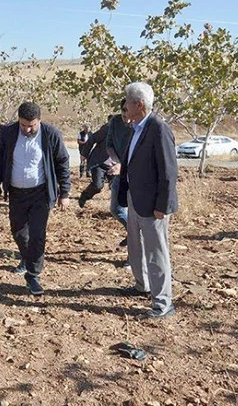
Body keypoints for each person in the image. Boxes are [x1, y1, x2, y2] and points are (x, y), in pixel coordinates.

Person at [0, 102, 71, 296]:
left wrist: (65, 193)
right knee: (19, 232)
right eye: (23, 125)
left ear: (39, 120)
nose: (27, 129)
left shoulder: (51, 134)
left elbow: (62, 162)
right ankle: (29, 260)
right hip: (17, 194)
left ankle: (33, 276)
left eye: (32, 125)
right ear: (18, 120)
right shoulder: (9, 134)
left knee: (37, 234)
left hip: (41, 193)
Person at [117, 82, 178, 320]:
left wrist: (162, 206)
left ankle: (163, 304)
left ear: (138, 104)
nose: (124, 106)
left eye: (126, 101)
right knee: (136, 246)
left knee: (156, 253)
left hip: (153, 206)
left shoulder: (158, 129)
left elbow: (168, 172)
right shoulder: (137, 128)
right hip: (136, 198)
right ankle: (141, 285)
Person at [105, 99, 131, 247]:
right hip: (119, 173)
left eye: (129, 114)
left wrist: (124, 166)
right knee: (116, 209)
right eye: (123, 113)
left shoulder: (141, 126)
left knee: (135, 214)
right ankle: (132, 232)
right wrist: (117, 162)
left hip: (137, 176)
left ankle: (132, 258)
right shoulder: (115, 122)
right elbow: (109, 145)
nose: (126, 119)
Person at [77, 121, 112, 208]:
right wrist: (84, 154)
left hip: (115, 166)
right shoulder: (107, 130)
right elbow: (92, 139)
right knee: (98, 186)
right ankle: (84, 195)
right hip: (99, 163)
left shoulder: (131, 131)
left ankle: (116, 210)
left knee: (116, 188)